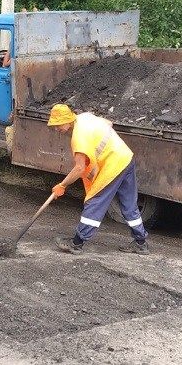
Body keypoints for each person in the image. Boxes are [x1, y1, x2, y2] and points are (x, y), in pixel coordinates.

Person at [48, 104, 149, 255]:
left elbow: (79, 168)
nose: (57, 129)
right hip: (126, 157)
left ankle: (77, 243)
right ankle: (141, 243)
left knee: (95, 201)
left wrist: (62, 185)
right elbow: (109, 124)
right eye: (54, 126)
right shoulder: (85, 117)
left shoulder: (78, 138)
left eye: (59, 125)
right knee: (129, 204)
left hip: (113, 165)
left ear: (68, 120)